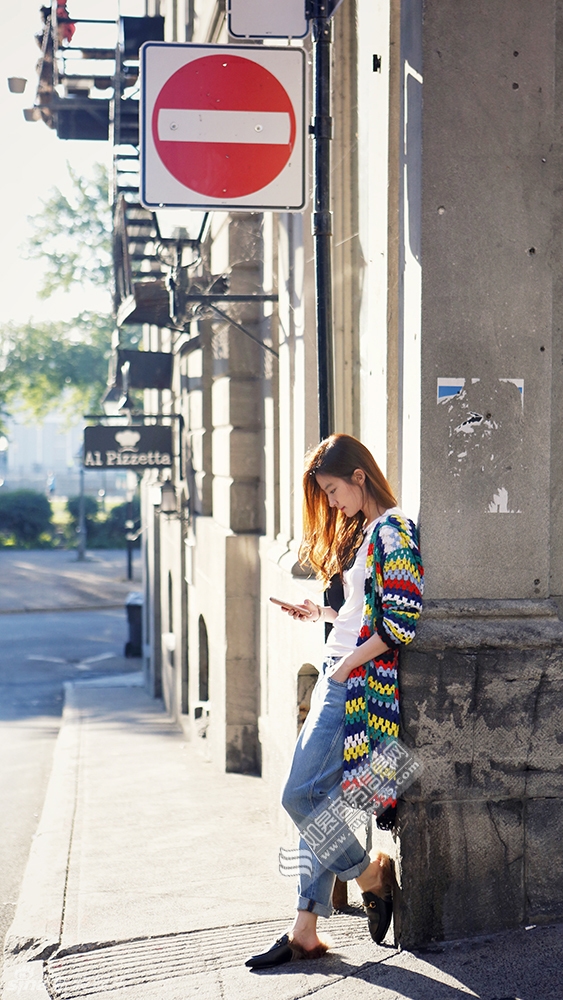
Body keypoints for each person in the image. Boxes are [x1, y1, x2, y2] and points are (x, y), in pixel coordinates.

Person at [246, 434, 423, 969]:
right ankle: (305, 930)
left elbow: (401, 623)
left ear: (359, 476)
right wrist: (319, 615)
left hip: (352, 680)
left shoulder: (396, 530)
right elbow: (359, 614)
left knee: (300, 796)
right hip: (336, 666)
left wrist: (346, 665)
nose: (331, 501)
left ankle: (371, 875)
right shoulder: (366, 530)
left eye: (332, 489)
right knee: (322, 798)